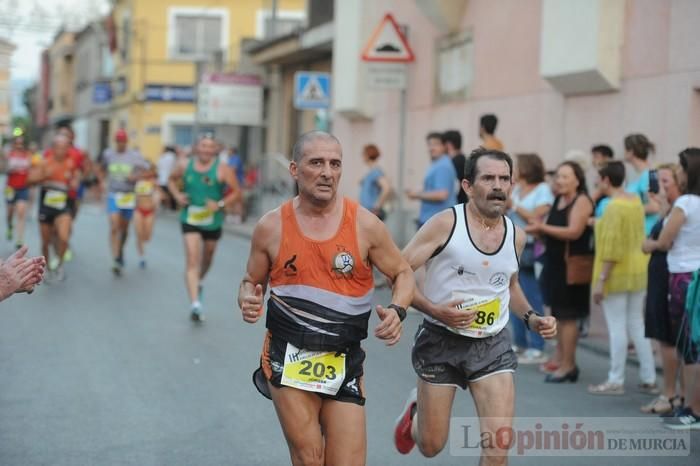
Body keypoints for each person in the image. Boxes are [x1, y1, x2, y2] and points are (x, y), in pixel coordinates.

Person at [239, 131, 414, 466]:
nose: (327, 172)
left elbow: (403, 273)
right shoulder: (271, 227)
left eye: (335, 164)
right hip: (288, 357)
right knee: (309, 458)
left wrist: (398, 310)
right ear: (294, 169)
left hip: (344, 359)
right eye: (316, 162)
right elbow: (251, 280)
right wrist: (248, 298)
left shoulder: (365, 225)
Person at [394, 148, 556, 462]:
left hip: (492, 345)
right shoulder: (444, 224)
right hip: (440, 340)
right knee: (431, 445)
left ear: (511, 186)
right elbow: (399, 271)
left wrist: (532, 318)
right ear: (468, 186)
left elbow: (509, 285)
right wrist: (433, 309)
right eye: (488, 178)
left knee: (497, 449)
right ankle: (415, 415)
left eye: (504, 179)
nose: (498, 185)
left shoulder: (516, 236)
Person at [588, 161, 657, 395]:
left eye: (598, 178)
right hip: (637, 270)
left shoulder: (614, 206)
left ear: (607, 180)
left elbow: (612, 248)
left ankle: (615, 380)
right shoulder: (634, 200)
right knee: (637, 324)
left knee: (617, 327)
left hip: (616, 274)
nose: (596, 182)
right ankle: (649, 377)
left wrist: (601, 280)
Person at [644, 148, 700, 430]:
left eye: (679, 168)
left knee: (688, 345)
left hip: (682, 277)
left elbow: (664, 241)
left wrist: (650, 244)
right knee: (690, 343)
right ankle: (687, 404)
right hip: (694, 274)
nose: (675, 173)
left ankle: (692, 408)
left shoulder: (687, 202)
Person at [526, 161, 593, 382]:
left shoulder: (581, 201)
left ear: (577, 179)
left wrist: (542, 227)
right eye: (558, 177)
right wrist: (539, 233)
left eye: (566, 177)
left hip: (571, 268)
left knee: (569, 317)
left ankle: (568, 365)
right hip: (554, 265)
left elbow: (574, 232)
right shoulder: (558, 200)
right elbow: (552, 233)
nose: (560, 181)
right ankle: (563, 361)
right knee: (559, 316)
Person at [169, 136, 241, 322]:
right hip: (190, 217)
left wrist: (220, 204)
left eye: (210, 147)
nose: (206, 150)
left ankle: (199, 281)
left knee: (207, 256)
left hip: (212, 221)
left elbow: (236, 192)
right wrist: (177, 196)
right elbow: (170, 180)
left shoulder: (223, 169)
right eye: (203, 146)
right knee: (192, 259)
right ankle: (195, 304)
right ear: (197, 148)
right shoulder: (185, 165)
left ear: (215, 150)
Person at [640, 163, 685, 415]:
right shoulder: (670, 210)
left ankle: (670, 394)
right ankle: (675, 394)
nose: (660, 186)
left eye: (666, 181)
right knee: (666, 338)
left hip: (668, 278)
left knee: (668, 339)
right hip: (659, 276)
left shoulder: (683, 208)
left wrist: (650, 244)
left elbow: (663, 243)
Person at [508, 153, 553, 364]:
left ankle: (537, 345)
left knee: (532, 295)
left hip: (532, 247)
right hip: (512, 243)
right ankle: (519, 342)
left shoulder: (543, 190)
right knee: (510, 292)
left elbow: (536, 217)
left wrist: (514, 206)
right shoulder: (516, 188)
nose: (514, 168)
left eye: (517, 165)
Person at [29, 135, 80, 282]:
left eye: (65, 148)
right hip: (46, 207)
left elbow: (76, 178)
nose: (61, 151)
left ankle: (59, 264)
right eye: (58, 147)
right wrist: (43, 176)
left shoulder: (70, 163)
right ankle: (47, 268)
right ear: (53, 148)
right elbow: (30, 180)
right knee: (45, 242)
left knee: (64, 237)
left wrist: (75, 182)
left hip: (62, 207)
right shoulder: (45, 163)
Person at [99, 129, 149, 276]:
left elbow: (150, 171)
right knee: (114, 226)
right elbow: (101, 169)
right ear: (115, 142)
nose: (120, 144)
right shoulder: (108, 154)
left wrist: (136, 177)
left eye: (123, 141)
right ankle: (115, 258)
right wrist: (102, 181)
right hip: (114, 194)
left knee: (124, 229)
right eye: (118, 141)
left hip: (128, 196)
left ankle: (120, 251)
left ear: (126, 142)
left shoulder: (135, 156)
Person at [406, 132, 456, 228]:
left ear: (444, 146)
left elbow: (442, 195)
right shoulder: (436, 164)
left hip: (437, 223)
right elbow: (430, 187)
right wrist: (416, 190)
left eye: (436, 144)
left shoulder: (443, 166)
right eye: (429, 144)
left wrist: (416, 195)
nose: (431, 148)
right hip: (432, 220)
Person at [623, 134, 660, 235]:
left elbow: (655, 206)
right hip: (636, 231)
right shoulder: (640, 175)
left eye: (625, 149)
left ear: (631, 151)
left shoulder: (650, 174)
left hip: (646, 232)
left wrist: (624, 211)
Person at [4, 135, 34, 249]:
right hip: (10, 187)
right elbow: (4, 168)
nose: (19, 146)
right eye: (17, 143)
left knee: (21, 212)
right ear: (14, 144)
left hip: (23, 187)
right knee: (10, 213)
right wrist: (9, 168)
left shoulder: (27, 155)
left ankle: (20, 239)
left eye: (21, 143)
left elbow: (31, 171)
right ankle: (10, 226)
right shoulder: (9, 154)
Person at [133, 162, 158, 269]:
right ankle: (142, 257)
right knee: (139, 234)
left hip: (149, 211)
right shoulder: (137, 182)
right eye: (143, 171)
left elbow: (158, 195)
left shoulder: (154, 183)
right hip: (138, 210)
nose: (145, 173)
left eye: (147, 171)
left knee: (146, 236)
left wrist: (156, 200)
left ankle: (143, 248)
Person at [358, 144, 392, 220]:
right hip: (366, 211)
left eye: (363, 154)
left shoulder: (375, 171)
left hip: (371, 212)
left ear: (367, 155)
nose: (362, 157)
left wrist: (377, 206)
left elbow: (386, 188)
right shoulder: (371, 172)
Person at [442, 130, 468, 204]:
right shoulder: (462, 159)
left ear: (448, 144)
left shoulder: (455, 162)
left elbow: (455, 186)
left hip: (457, 204)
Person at [590, 144, 614, 216]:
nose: (593, 160)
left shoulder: (609, 174)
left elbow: (598, 193)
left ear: (606, 158)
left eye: (596, 157)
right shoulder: (599, 173)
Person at [226, 147, 246, 223]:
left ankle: (238, 217)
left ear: (232, 151)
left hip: (237, 182)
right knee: (231, 200)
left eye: (229, 150)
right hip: (230, 183)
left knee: (237, 200)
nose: (228, 152)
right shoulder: (230, 159)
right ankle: (231, 216)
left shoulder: (235, 158)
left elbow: (233, 169)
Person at [157, 146, 177, 210]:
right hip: (169, 178)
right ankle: (171, 207)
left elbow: (158, 166)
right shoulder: (173, 156)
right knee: (170, 193)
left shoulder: (163, 156)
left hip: (161, 178)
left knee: (164, 193)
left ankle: (165, 206)